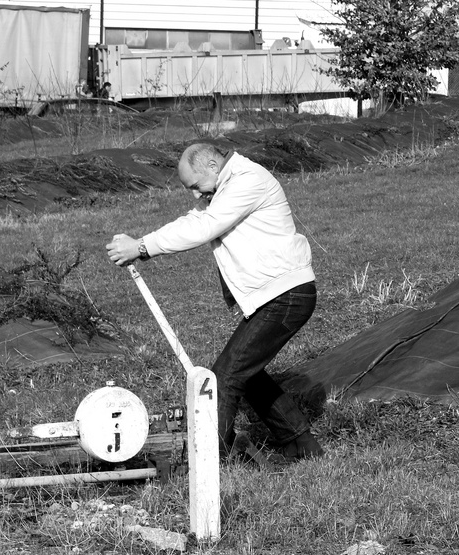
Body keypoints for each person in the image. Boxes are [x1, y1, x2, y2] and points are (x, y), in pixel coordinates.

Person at [106, 141, 323, 464]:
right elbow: (191, 221)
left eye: (195, 186)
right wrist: (141, 244)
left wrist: (141, 247)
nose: (195, 195)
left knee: (224, 378)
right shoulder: (223, 188)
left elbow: (205, 227)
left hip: (287, 296)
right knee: (245, 373)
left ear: (212, 166)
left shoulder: (247, 180)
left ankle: (208, 466)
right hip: (275, 296)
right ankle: (300, 444)